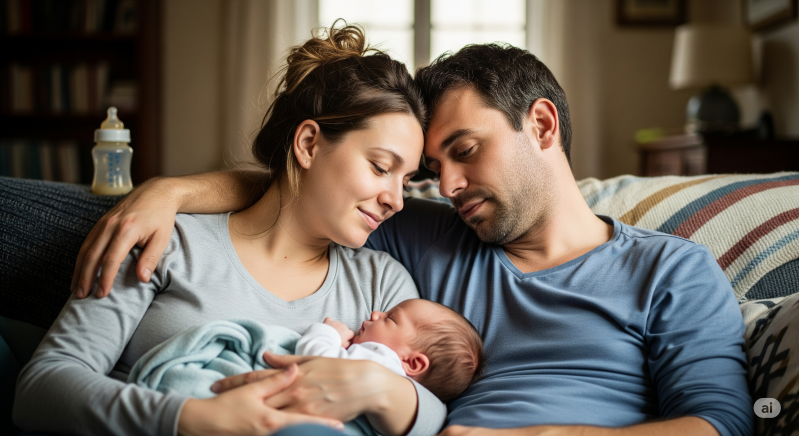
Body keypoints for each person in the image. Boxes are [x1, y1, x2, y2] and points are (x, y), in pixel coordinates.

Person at [70, 44, 753, 436]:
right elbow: (301, 184)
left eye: (464, 151)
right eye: (432, 168)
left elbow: (720, 425)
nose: (446, 185)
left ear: (541, 126)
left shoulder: (668, 269)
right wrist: (171, 192)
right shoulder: (425, 235)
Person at [13, 23, 448, 436]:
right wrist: (190, 417)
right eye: (380, 167)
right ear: (309, 144)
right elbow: (42, 387)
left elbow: (435, 413)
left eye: (406, 179)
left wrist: (382, 388)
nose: (397, 199)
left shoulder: (381, 285)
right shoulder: (169, 242)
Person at [296, 299, 485, 403]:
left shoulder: (383, 364)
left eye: (391, 319)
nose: (376, 313)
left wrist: (329, 333)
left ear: (412, 363)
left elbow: (314, 361)